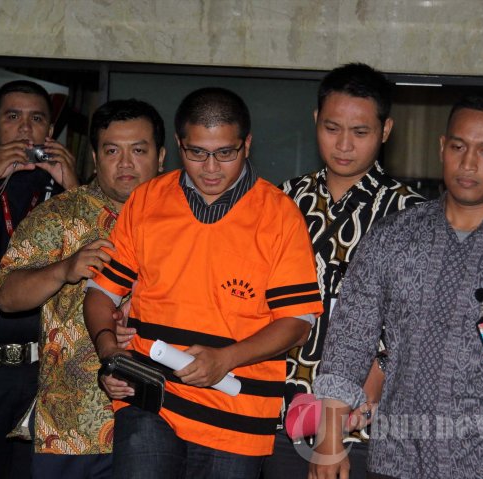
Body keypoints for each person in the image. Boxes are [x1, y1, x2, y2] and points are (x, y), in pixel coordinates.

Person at [312, 93, 483, 479]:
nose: (468, 163)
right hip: (398, 458)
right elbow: (349, 341)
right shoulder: (394, 236)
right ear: (442, 147)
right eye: (458, 147)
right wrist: (329, 441)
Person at [84, 87, 323, 478]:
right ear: (179, 145)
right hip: (150, 398)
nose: (211, 167)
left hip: (236, 414)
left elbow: (298, 323)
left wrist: (225, 359)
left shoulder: (279, 215)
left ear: (247, 144)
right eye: (197, 153)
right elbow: (100, 292)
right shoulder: (147, 200)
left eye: (225, 153)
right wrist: (110, 351)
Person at [262, 63, 423, 479]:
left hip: (368, 420)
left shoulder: (413, 214)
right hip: (280, 408)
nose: (344, 145)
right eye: (332, 128)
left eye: (360, 132)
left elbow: (417, 322)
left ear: (386, 130)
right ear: (316, 120)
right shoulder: (281, 200)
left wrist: (378, 374)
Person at [0, 98, 166, 478]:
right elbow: (6, 297)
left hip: (166, 420)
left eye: (139, 150)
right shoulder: (59, 215)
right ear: (94, 156)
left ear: (161, 156)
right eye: (112, 151)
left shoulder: (190, 222)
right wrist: (63, 269)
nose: (125, 163)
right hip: (72, 428)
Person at [0, 80, 78, 479]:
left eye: (36, 119)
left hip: (47, 373)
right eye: (12, 117)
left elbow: (108, 255)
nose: (25, 129)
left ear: (50, 132)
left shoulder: (66, 190)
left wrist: (74, 187)